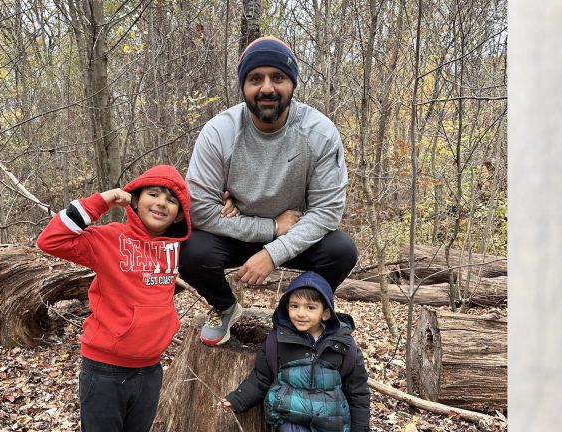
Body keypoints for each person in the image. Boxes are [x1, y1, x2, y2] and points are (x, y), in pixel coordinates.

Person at [179, 36, 359, 346]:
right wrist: (271, 227)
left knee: (340, 251)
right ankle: (224, 308)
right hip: (236, 230)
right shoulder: (219, 132)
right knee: (190, 249)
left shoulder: (318, 133)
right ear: (243, 85)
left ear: (292, 83)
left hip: (295, 234)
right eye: (255, 79)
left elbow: (327, 212)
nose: (266, 88)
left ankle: (293, 318)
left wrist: (273, 252)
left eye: (277, 77)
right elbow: (200, 210)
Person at [36, 165, 190, 432]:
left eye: (172, 200)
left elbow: (218, 248)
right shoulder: (111, 238)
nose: (161, 203)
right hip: (105, 369)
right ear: (135, 199)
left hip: (151, 369)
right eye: (153, 194)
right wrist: (101, 201)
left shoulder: (178, 247)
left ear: (179, 215)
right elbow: (50, 240)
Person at [219, 272, 371, 432]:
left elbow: (358, 391)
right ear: (286, 308)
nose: (300, 314)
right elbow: (261, 378)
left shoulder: (343, 344)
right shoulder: (277, 341)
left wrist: (360, 428)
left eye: (310, 307)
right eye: (294, 306)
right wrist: (238, 399)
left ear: (325, 313)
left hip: (331, 422)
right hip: (290, 419)